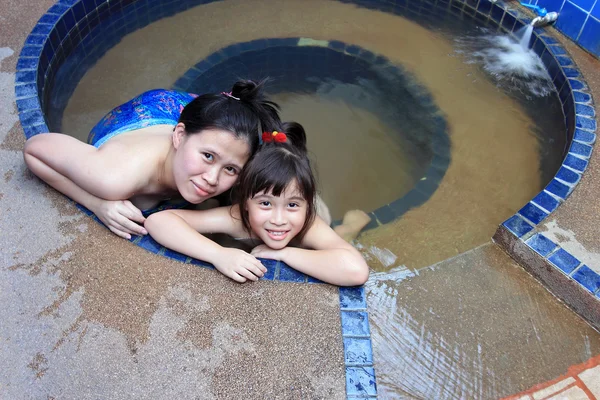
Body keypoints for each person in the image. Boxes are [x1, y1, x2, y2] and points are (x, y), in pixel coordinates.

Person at [23, 80, 280, 239]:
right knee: (138, 199)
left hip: (200, 122)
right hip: (157, 110)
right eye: (208, 157)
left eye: (231, 169)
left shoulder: (224, 157)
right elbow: (35, 149)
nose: (212, 178)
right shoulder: (114, 177)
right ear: (179, 136)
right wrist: (97, 203)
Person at [145, 122, 370, 286]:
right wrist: (218, 254)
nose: (278, 219)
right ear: (245, 203)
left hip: (311, 214)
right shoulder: (236, 218)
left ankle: (347, 229)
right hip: (283, 194)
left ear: (306, 205)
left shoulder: (309, 223)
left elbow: (355, 271)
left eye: (292, 206)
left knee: (335, 241)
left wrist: (286, 254)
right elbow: (159, 221)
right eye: (265, 204)